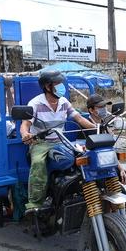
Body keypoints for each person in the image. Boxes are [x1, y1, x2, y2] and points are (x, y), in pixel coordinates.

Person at [20, 70, 96, 212]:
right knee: (38, 164)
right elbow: (25, 124)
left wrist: (97, 127)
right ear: (47, 87)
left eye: (61, 83)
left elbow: (79, 118)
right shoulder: (35, 103)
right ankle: (35, 203)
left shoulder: (64, 102)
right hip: (40, 143)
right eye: (57, 84)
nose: (61, 87)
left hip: (61, 141)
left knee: (83, 157)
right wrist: (25, 134)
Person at [85, 94, 126, 227]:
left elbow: (110, 150)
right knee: (121, 192)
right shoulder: (85, 127)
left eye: (104, 106)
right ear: (91, 110)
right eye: (100, 107)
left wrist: (120, 169)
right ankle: (113, 222)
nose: (103, 109)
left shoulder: (105, 124)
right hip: (92, 169)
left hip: (108, 165)